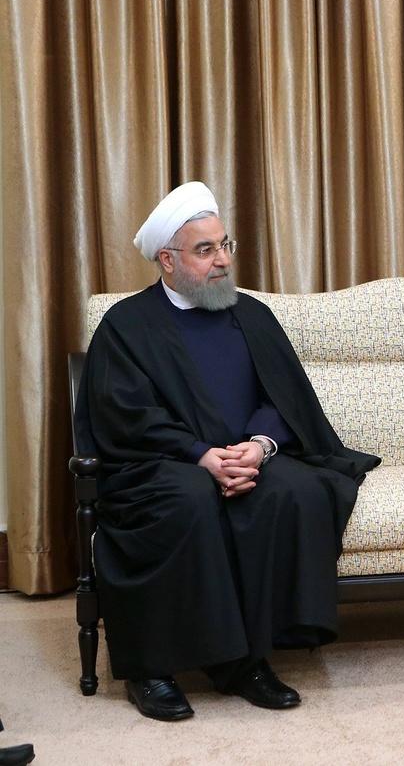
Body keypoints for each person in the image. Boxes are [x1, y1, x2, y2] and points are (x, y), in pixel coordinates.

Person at [75, 182, 380, 721]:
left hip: (247, 456)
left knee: (298, 489)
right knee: (189, 499)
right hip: (162, 464)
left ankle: (245, 659)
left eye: (225, 246)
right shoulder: (127, 325)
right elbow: (126, 417)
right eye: (206, 250)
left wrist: (258, 448)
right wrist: (200, 454)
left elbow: (283, 398)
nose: (223, 261)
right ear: (167, 260)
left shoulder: (251, 314)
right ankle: (153, 668)